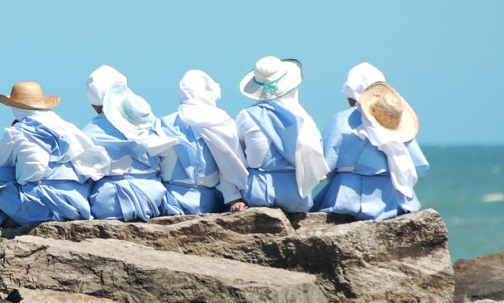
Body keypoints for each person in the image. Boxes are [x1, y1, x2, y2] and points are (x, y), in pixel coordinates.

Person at [0, 81, 109, 228]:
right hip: (76, 206)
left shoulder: (17, 132)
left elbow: (0, 166)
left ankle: (8, 222)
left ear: (14, 106)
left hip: (44, 207)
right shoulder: (65, 127)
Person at [313, 77, 429, 220]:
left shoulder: (342, 119)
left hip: (346, 195)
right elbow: (416, 164)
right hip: (393, 197)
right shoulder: (395, 122)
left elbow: (324, 164)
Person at [235, 56, 329, 213]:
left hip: (258, 194)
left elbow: (238, 155)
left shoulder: (246, 115)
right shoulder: (305, 121)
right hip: (297, 197)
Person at [82, 68, 178, 221]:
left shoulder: (91, 130)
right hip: (151, 196)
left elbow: (85, 171)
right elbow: (169, 155)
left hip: (109, 202)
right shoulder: (147, 121)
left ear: (93, 100)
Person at [157, 69, 250, 213]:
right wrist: (234, 199)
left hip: (168, 202)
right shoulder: (222, 122)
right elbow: (229, 165)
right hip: (207, 203)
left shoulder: (163, 123)